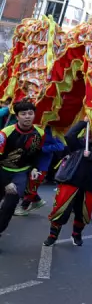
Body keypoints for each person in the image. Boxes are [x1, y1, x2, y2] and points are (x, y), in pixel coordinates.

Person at [43, 118, 92, 246]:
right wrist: (83, 122)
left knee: (83, 214)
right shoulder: (78, 143)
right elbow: (69, 135)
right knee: (60, 210)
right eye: (88, 131)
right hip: (70, 182)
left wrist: (90, 155)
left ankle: (76, 234)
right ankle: (52, 235)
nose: (90, 134)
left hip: (88, 186)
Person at [0, 100, 44, 240]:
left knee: (9, 207)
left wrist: (34, 168)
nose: (27, 117)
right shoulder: (5, 133)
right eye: (23, 114)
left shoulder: (40, 133)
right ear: (17, 116)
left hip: (20, 173)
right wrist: (6, 182)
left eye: (30, 113)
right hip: (2, 171)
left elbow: (36, 153)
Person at [16, 125, 65, 215]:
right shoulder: (31, 127)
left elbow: (60, 146)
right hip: (27, 162)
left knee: (32, 186)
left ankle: (24, 207)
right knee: (24, 184)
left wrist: (42, 149)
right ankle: (37, 201)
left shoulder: (52, 131)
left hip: (41, 164)